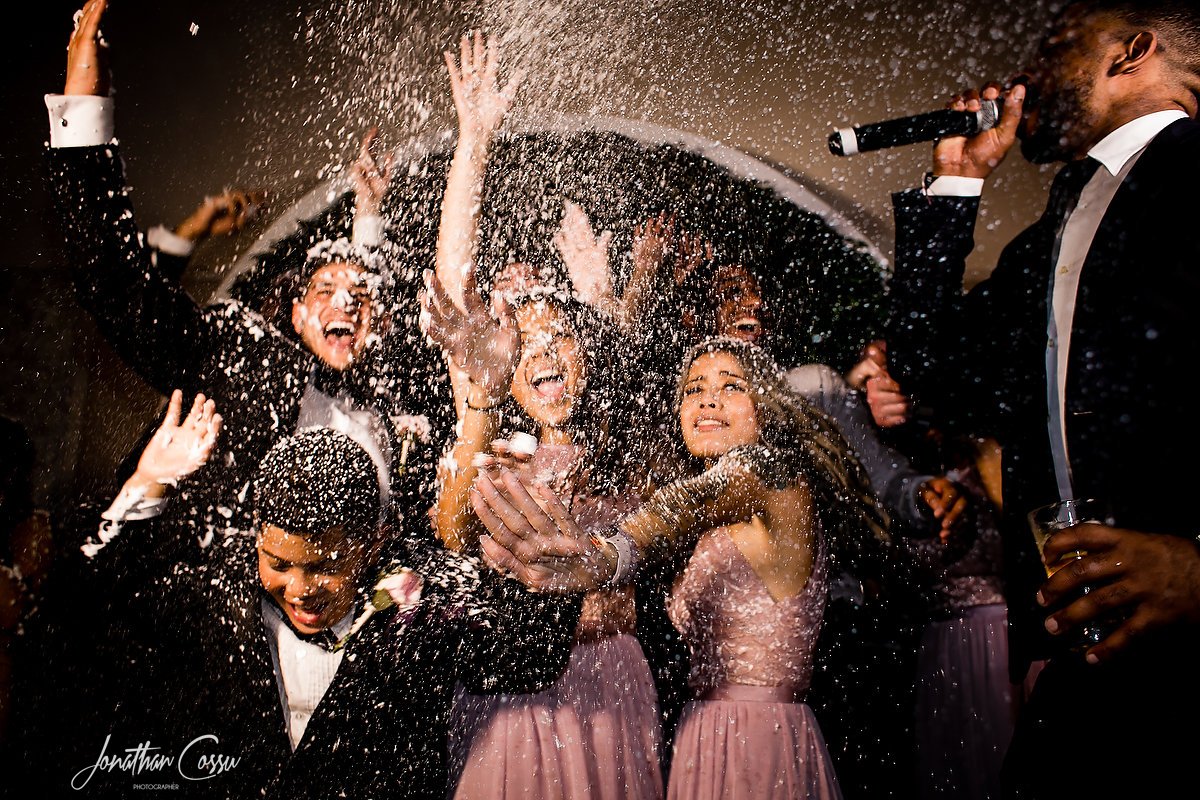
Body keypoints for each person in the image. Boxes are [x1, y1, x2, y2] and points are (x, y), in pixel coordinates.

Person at [883, 2, 1200, 796]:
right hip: (1082, 666)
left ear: (1131, 52)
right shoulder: (1058, 227)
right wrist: (958, 180)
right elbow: (935, 369)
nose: (1024, 76)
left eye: (1054, 48)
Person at [46, 0, 440, 538]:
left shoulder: (390, 404)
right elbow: (119, 288)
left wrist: (368, 212)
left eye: (360, 297)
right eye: (324, 289)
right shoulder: (242, 355)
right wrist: (82, 125)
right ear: (295, 315)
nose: (346, 302)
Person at [61, 393, 580, 799]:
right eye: (278, 563)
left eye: (326, 567)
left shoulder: (422, 597)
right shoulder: (218, 595)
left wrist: (546, 551)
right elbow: (83, 612)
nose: (300, 590)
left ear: (373, 543)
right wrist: (146, 484)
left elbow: (529, 657)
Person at [469, 336, 892, 800]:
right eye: (694, 389)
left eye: (731, 386)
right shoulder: (709, 515)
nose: (709, 399)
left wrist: (607, 556)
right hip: (701, 737)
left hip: (759, 740)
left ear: (765, 406)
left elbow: (690, 504)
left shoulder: (775, 477)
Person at [422, 32, 665, 799]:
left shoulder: (626, 448)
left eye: (560, 336)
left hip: (613, 686)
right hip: (518, 697)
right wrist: (473, 143)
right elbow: (453, 286)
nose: (543, 353)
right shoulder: (494, 450)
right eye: (523, 347)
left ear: (586, 354)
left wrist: (613, 303)